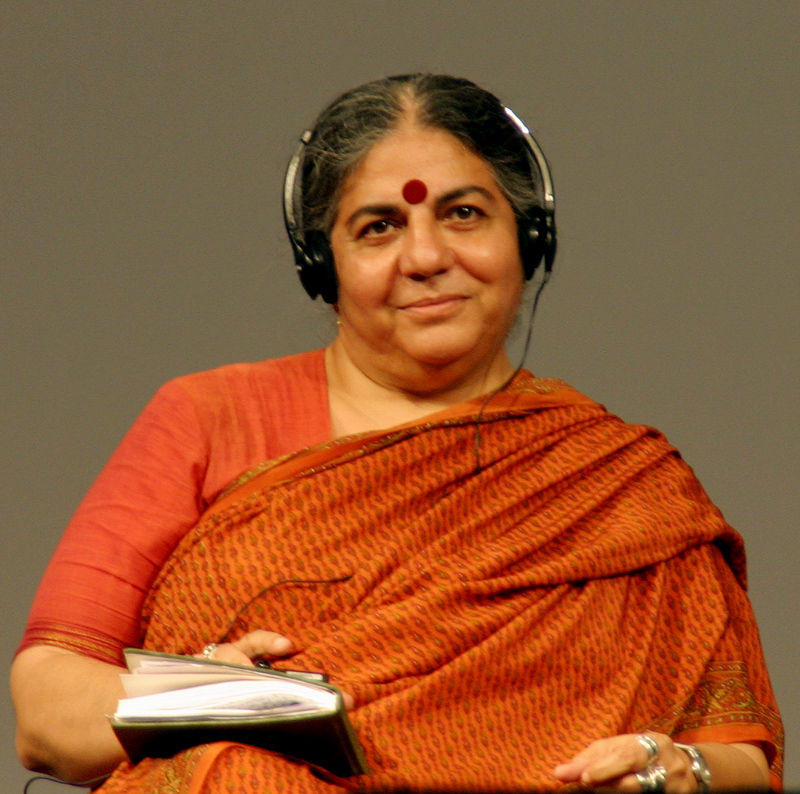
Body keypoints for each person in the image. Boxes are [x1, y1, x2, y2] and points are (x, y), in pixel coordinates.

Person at [11, 73, 782, 793]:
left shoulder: (621, 486)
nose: (425, 257)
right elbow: (45, 713)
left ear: (528, 238)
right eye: (379, 227)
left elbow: (742, 756)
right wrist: (206, 701)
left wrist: (675, 768)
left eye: (463, 214)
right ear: (324, 265)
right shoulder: (211, 418)